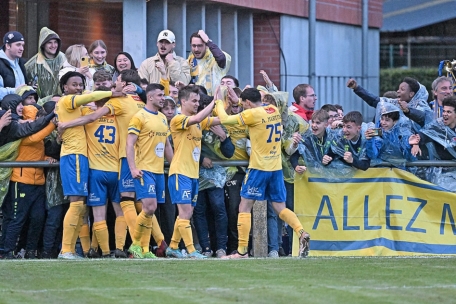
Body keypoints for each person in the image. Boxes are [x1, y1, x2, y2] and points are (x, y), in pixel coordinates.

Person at [215, 88, 311, 259]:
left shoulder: (253, 115)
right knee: (280, 208)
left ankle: (242, 251)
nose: (242, 107)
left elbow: (225, 119)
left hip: (259, 168)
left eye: (244, 104)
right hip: (275, 168)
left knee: (244, 207)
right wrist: (238, 100)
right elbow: (255, 106)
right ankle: (301, 232)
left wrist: (218, 102)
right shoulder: (272, 110)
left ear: (248, 103)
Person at [56, 71, 124, 259]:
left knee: (81, 205)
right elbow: (93, 96)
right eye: (74, 84)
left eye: (80, 85)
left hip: (81, 157)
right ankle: (67, 250)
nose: (78, 88)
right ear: (65, 87)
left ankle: (74, 250)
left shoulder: (82, 110)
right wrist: (112, 93)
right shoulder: (67, 101)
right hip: (74, 156)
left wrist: (60, 131)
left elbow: (92, 111)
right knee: (77, 203)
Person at [165, 85, 219, 259]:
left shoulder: (198, 122)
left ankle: (173, 247)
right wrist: (214, 102)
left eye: (198, 101)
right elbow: (198, 118)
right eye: (194, 101)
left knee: (185, 214)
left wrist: (236, 112)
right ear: (183, 101)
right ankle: (191, 250)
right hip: (180, 173)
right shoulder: (177, 119)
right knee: (186, 213)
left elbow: (220, 120)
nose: (197, 104)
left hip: (193, 175)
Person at [1, 104, 56, 259]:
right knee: (17, 218)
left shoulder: (37, 135)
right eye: (35, 118)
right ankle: (8, 251)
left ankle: (31, 250)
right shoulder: (23, 134)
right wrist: (53, 122)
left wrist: (46, 159)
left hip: (38, 182)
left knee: (38, 218)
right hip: (21, 181)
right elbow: (34, 139)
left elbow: (34, 153)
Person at [126, 83, 173, 259]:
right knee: (149, 207)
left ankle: (143, 250)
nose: (163, 98)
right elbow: (129, 143)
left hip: (158, 170)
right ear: (150, 97)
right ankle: (136, 246)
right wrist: (132, 167)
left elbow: (167, 144)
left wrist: (174, 166)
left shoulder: (161, 117)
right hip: (144, 169)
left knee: (151, 210)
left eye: (164, 95)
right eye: (160, 95)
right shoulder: (139, 117)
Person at [347, 77, 432, 131]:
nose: (398, 91)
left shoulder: (421, 105)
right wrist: (357, 88)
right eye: (398, 88)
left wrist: (408, 111)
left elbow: (422, 116)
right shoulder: (394, 104)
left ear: (411, 94)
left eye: (402, 89)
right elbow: (375, 100)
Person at [25, 27, 66, 100]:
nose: (53, 45)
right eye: (49, 43)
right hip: (41, 105)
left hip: (62, 102)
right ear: (43, 44)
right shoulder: (32, 64)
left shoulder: (64, 59)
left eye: (55, 42)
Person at [188, 30, 231, 96]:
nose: (196, 49)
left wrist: (208, 41)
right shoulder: (189, 61)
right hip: (196, 102)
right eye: (194, 46)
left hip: (215, 101)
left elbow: (221, 58)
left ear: (207, 46)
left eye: (200, 46)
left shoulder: (214, 59)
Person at [0, 31, 27, 101]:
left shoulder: (22, 63)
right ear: (8, 46)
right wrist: (15, 91)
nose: (22, 49)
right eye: (18, 45)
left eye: (22, 45)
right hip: (5, 109)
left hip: (21, 106)